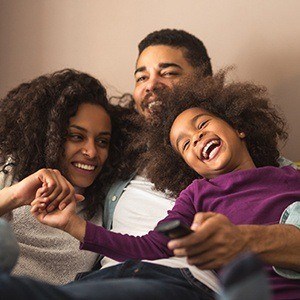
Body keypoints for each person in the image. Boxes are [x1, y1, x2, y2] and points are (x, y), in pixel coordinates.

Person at [31, 70, 300, 299]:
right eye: (184, 144)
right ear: (190, 166)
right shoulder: (197, 195)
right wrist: (73, 225)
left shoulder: (291, 177)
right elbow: (151, 246)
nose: (196, 138)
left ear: (238, 127)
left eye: (202, 124)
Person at [0, 68, 119, 284]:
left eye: (102, 141)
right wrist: (15, 196)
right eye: (76, 136)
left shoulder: (99, 209)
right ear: (51, 136)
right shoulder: (9, 171)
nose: (91, 152)